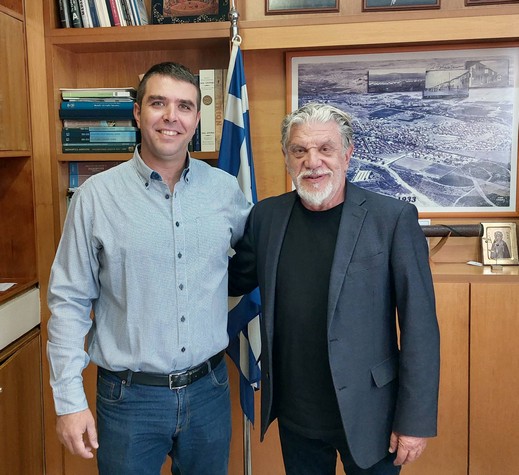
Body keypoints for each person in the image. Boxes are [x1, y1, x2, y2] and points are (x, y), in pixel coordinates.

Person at [47, 62, 251, 475]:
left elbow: (258, 258)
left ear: (196, 119)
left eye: (184, 106)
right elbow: (69, 302)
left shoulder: (225, 191)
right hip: (129, 399)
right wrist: (69, 402)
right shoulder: (95, 197)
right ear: (138, 113)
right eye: (158, 103)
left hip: (209, 391)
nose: (171, 117)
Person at [228, 102, 440, 474]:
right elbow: (229, 280)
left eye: (325, 148)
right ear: (287, 158)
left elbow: (420, 327)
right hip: (296, 414)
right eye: (299, 150)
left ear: (347, 153)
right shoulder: (266, 217)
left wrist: (414, 420)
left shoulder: (391, 219)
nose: (313, 161)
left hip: (372, 413)